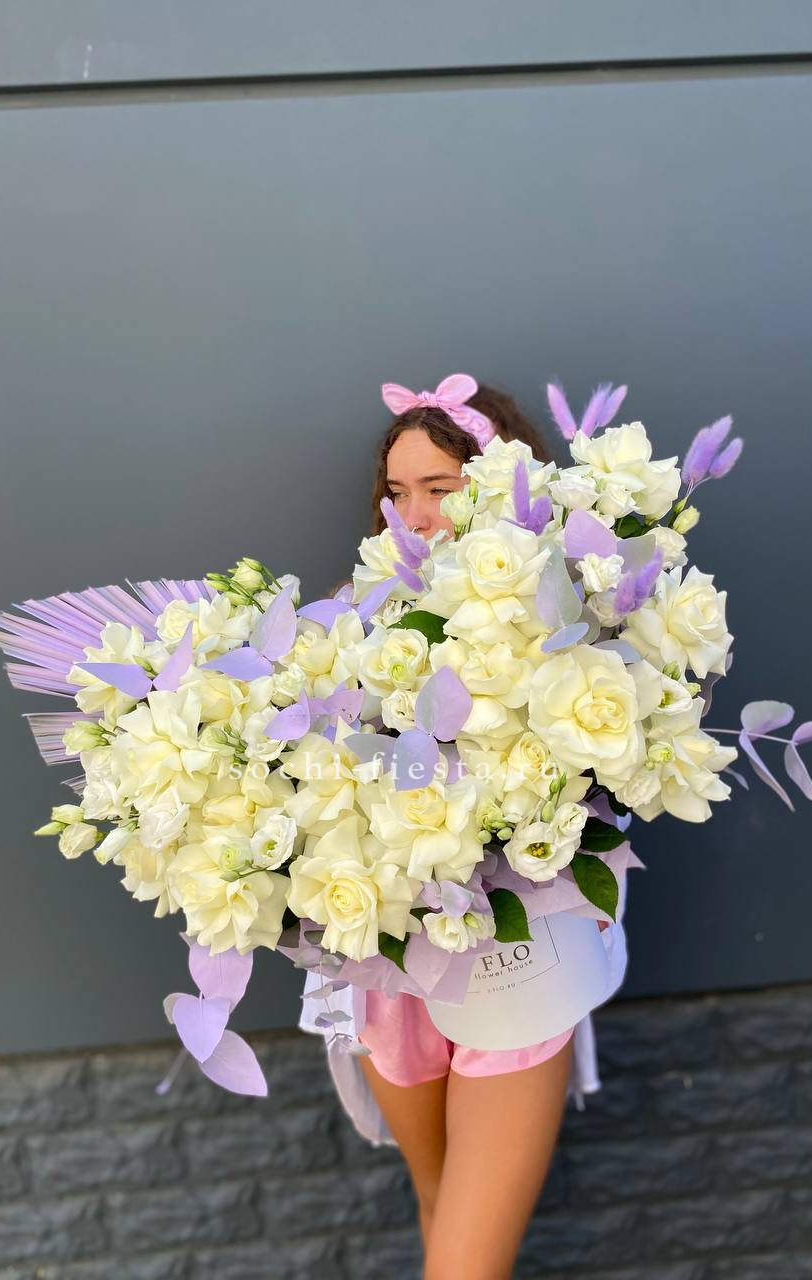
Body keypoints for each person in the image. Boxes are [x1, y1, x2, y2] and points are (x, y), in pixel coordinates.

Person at [301, 374, 631, 1280]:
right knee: (439, 1205)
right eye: (397, 492)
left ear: (492, 482)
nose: (414, 514)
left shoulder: (563, 609)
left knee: (464, 1264)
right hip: (394, 973)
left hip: (512, 961)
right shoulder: (352, 615)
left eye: (439, 488)